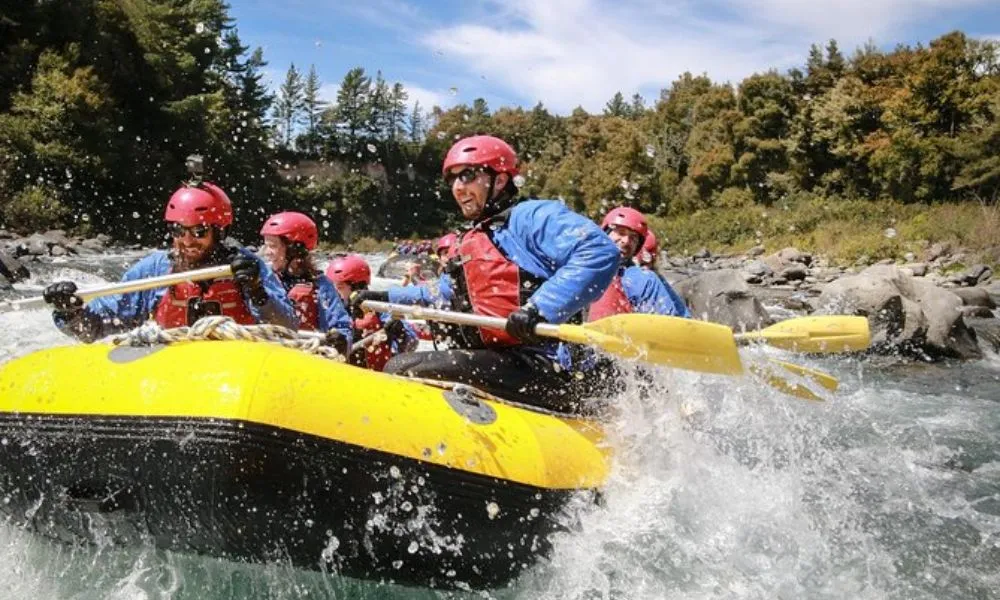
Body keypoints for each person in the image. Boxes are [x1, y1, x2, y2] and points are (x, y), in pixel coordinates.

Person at [350, 134, 620, 412]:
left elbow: (600, 252)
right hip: (499, 359)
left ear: (500, 180)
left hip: (543, 363)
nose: (457, 187)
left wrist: (539, 309)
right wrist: (384, 295)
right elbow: (443, 293)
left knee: (401, 366)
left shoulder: (531, 217)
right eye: (452, 179)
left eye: (467, 176)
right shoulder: (475, 236)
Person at [43, 180, 296, 342]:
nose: (186, 241)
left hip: (238, 369)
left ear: (220, 233)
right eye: (178, 231)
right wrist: (70, 311)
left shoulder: (247, 267)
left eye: (199, 232)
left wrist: (257, 291)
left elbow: (287, 327)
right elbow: (96, 327)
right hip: (172, 370)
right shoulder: (154, 269)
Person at [259, 211, 352, 354]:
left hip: (307, 356)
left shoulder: (321, 285)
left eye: (273, 246)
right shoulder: (263, 280)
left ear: (294, 249)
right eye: (266, 245)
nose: (267, 252)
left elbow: (341, 325)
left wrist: (341, 340)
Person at [589, 207, 690, 320]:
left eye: (633, 238)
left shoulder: (642, 279)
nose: (626, 241)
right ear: (606, 233)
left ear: (637, 247)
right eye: (621, 233)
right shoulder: (584, 270)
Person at [326, 254, 417, 371]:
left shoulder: (379, 309)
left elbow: (412, 342)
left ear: (356, 287)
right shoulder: (333, 310)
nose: (335, 293)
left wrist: (400, 332)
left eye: (339, 287)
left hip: (375, 373)